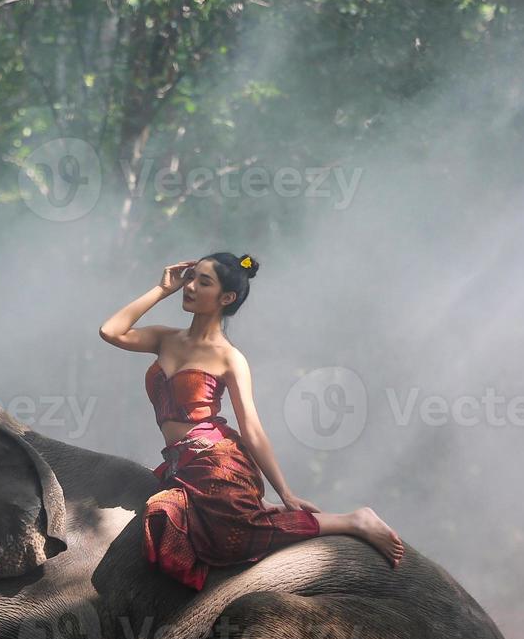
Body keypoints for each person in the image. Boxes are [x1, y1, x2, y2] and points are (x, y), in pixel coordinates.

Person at [99, 253, 405, 592]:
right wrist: (161, 288)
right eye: (190, 278)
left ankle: (352, 521)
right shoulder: (164, 338)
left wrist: (286, 492)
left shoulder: (230, 358)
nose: (190, 287)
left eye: (203, 282)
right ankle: (257, 504)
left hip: (216, 462)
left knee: (233, 537)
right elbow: (110, 331)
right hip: (179, 465)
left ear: (226, 298)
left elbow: (252, 429)